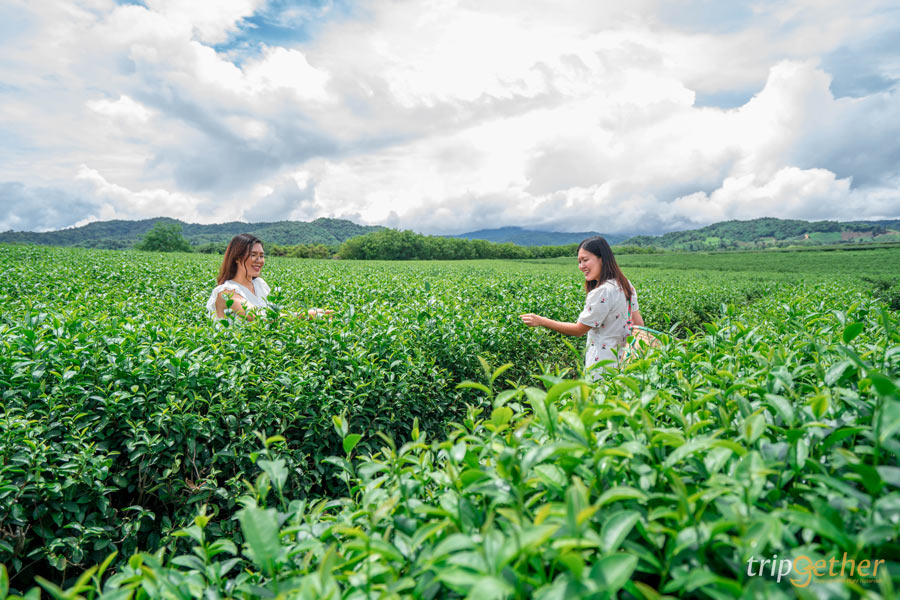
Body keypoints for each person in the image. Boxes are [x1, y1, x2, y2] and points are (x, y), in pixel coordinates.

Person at [520, 236, 645, 378]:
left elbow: (579, 330)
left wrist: (542, 321)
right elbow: (639, 324)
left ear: (602, 258)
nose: (581, 266)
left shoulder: (602, 292)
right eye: (579, 262)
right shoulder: (625, 284)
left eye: (585, 260)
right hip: (625, 363)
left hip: (602, 366)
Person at [206, 233, 331, 321]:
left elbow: (275, 315)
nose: (259, 260)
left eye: (262, 256)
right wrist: (306, 315)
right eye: (253, 255)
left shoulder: (260, 284)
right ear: (237, 258)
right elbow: (261, 318)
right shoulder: (226, 293)